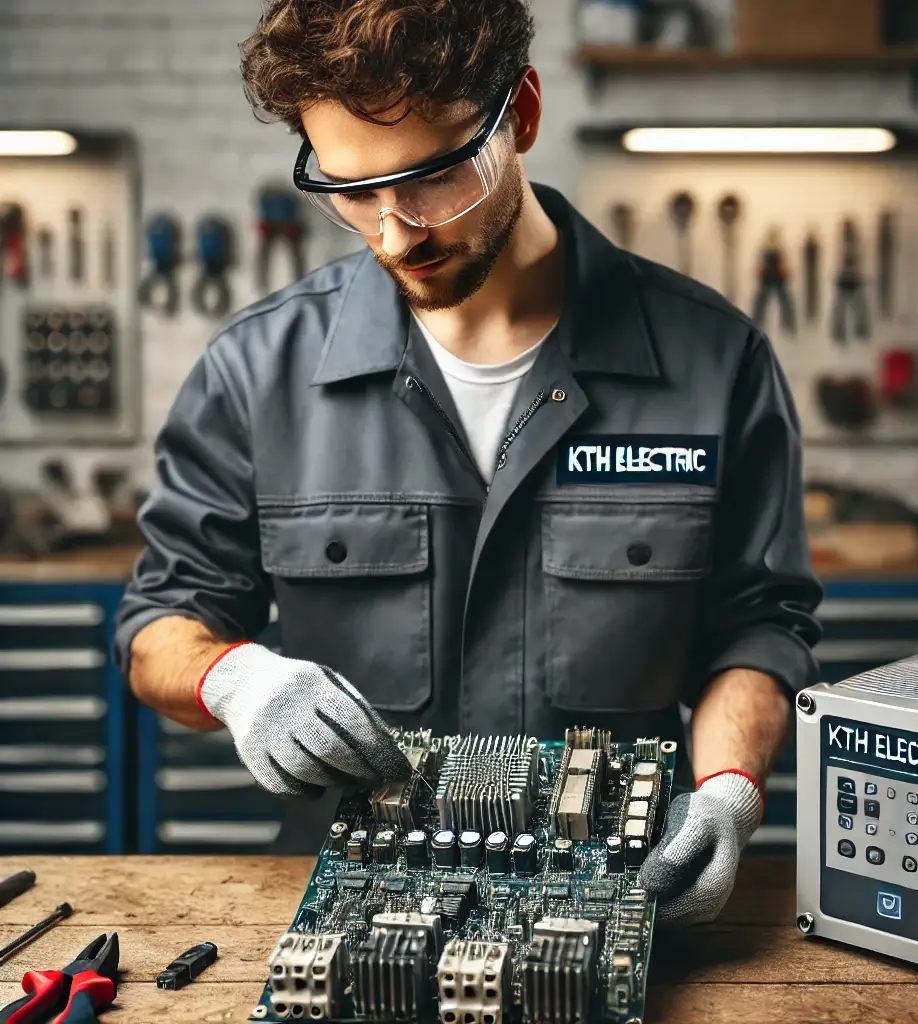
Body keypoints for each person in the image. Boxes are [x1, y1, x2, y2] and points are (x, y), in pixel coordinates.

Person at [116, 0, 823, 925]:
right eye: (353, 191)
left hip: (610, 902)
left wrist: (729, 790)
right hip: (346, 915)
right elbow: (163, 622)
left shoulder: (714, 361)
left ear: (520, 113)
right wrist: (236, 679)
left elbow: (757, 627)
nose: (396, 231)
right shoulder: (257, 372)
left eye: (433, 178)